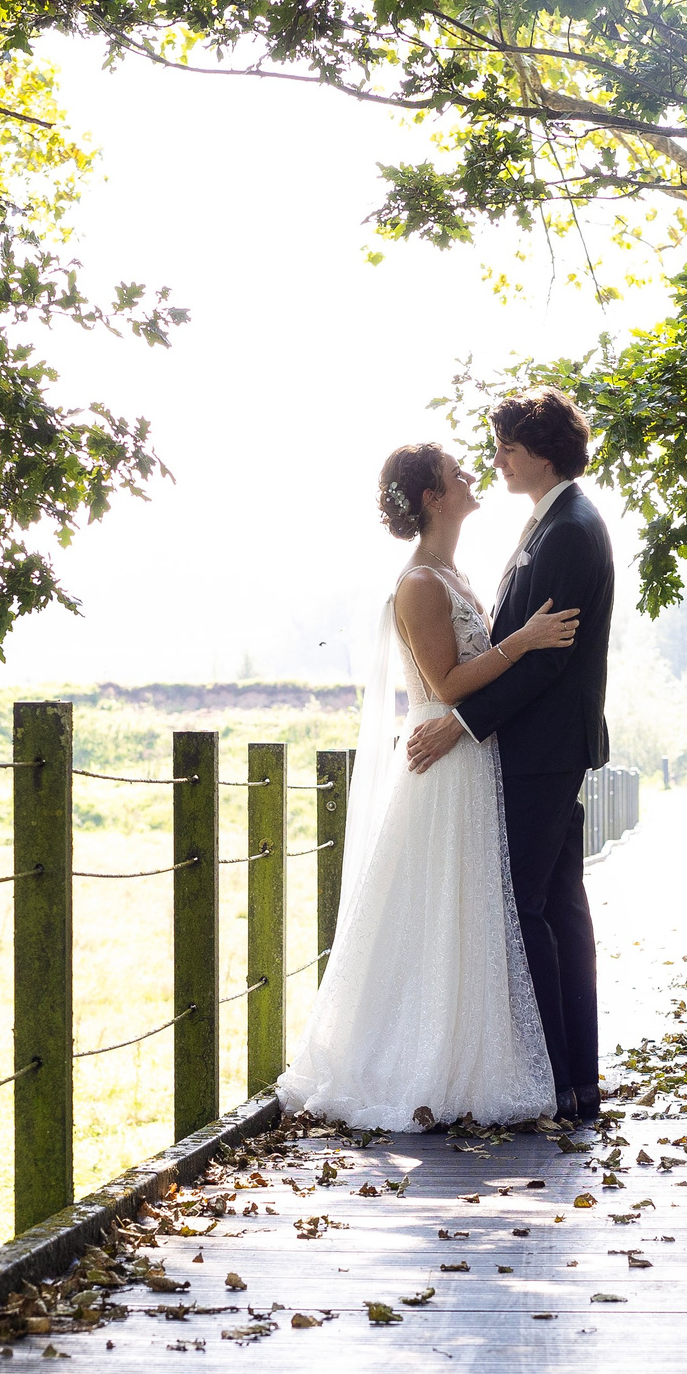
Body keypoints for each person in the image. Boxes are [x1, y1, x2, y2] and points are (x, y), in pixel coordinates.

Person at [274, 442, 581, 1130]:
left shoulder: (454, 572)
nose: (472, 475)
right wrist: (524, 640)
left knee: (470, 910)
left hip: (473, 755)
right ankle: (414, 1060)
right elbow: (445, 685)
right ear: (433, 499)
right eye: (455, 473)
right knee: (440, 906)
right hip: (443, 761)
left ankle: (466, 1050)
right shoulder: (418, 583)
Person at [405, 388, 613, 1122]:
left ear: (541, 452)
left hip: (542, 748)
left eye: (507, 449)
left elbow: (544, 661)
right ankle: (570, 1082)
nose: (497, 461)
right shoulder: (552, 521)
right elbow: (516, 645)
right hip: (539, 746)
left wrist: (460, 722)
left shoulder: (568, 530)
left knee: (529, 908)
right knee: (555, 904)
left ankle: (556, 1080)